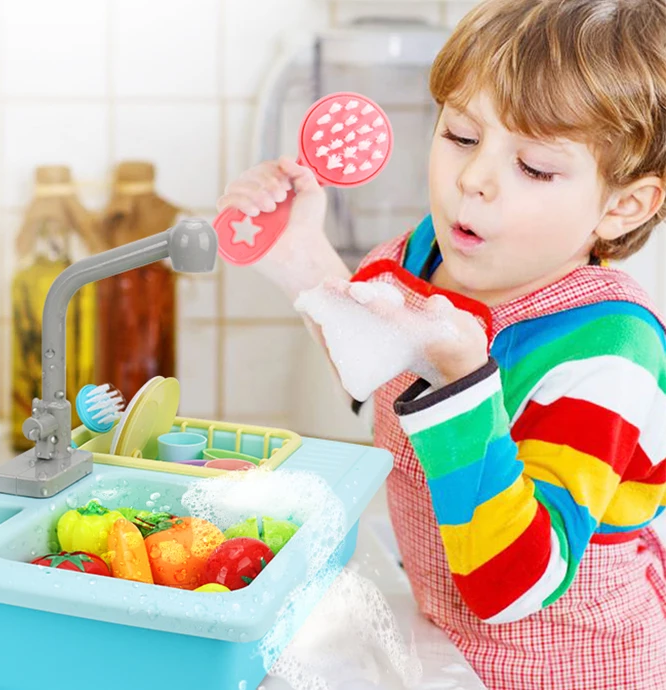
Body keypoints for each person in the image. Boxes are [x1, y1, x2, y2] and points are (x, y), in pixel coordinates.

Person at [217, 0, 666, 687]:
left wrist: (463, 379)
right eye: (461, 135)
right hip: (449, 636)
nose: (472, 181)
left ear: (621, 205)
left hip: (569, 665)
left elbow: (513, 585)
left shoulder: (608, 353)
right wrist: (298, 251)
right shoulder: (429, 253)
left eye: (535, 168)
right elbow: (371, 371)